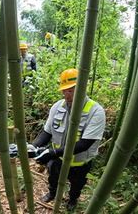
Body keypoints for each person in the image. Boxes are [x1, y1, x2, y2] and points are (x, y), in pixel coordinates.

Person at [31, 68, 106, 211]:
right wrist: (34, 147)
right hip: (57, 160)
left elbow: (84, 144)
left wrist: (52, 153)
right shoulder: (57, 107)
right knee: (53, 178)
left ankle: (72, 200)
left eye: (71, 90)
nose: (66, 94)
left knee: (77, 184)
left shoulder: (96, 111)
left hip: (79, 162)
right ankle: (52, 193)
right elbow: (46, 132)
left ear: (82, 88)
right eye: (64, 90)